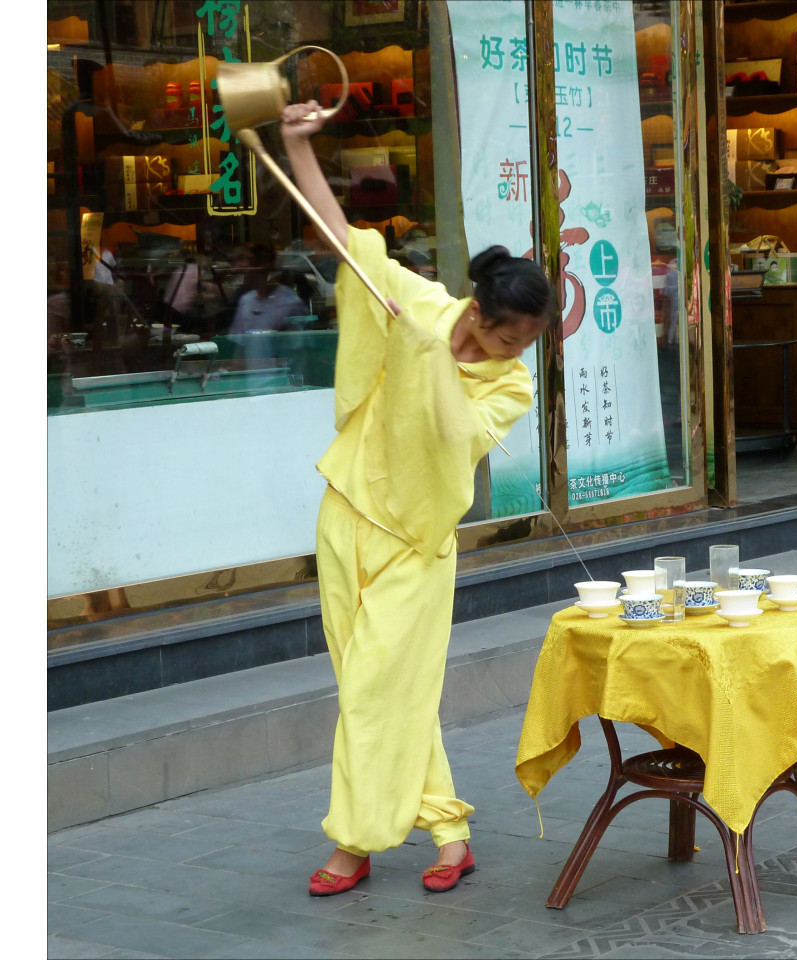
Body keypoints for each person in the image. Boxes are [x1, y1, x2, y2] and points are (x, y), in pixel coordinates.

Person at [279, 100, 555, 897]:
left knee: (374, 689)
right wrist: (301, 146)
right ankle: (451, 831)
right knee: (381, 689)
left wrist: (424, 350)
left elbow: (449, 426)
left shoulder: (509, 386)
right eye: (509, 337)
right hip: (346, 511)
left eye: (529, 343)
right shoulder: (426, 304)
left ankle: (354, 844)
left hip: (417, 544)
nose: (517, 353)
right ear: (479, 311)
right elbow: (346, 241)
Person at [227, 245, 308, 333]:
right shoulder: (245, 301)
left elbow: (299, 343)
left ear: (261, 268)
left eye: (249, 264)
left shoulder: (289, 302)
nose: (243, 269)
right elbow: (239, 343)